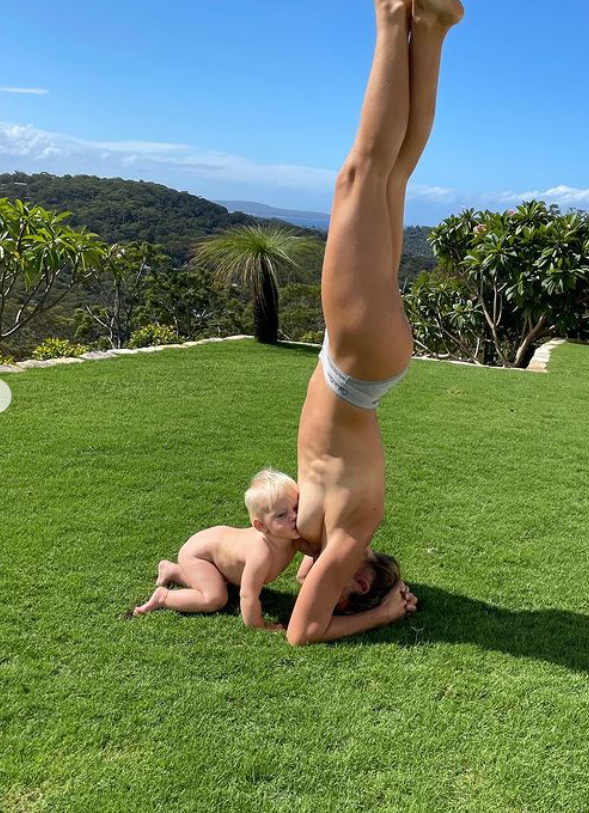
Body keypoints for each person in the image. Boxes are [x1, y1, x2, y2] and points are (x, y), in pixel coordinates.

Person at [288, 0, 464, 645]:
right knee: (359, 177)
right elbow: (301, 633)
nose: (306, 573)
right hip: (355, 365)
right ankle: (394, 18)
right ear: (358, 581)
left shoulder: (332, 532)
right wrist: (382, 615)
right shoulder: (346, 537)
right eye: (332, 581)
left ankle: (434, 27)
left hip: (362, 363)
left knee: (390, 176)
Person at [132, 469, 302, 627]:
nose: (294, 516)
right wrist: (260, 626)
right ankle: (164, 597)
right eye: (281, 515)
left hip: (216, 546)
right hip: (199, 555)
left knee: (218, 583)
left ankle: (172, 571)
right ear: (261, 526)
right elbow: (247, 595)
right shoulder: (261, 554)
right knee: (215, 598)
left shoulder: (293, 536)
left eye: (296, 507)